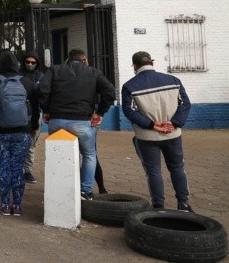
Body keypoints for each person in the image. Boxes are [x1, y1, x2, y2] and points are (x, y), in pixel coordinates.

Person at [38, 48, 115, 200]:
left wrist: (46, 110)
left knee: (58, 154)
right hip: (82, 121)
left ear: (68, 59)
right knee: (89, 154)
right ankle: (85, 191)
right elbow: (110, 91)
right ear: (84, 60)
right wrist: (100, 112)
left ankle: (59, 187)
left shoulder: (55, 70)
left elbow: (42, 90)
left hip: (57, 120)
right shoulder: (93, 72)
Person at [121, 51, 193, 212]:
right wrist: (174, 123)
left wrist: (152, 125)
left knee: (153, 171)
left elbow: (129, 111)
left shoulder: (129, 86)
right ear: (151, 62)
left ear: (135, 66)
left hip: (146, 137)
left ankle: (158, 206)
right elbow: (185, 104)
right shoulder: (173, 80)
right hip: (172, 134)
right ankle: (184, 204)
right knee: (177, 168)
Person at [0, 52, 40, 216]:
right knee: (18, 168)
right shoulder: (27, 83)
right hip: (23, 132)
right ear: (17, 66)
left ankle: (5, 204)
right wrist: (33, 126)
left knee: (4, 167)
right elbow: (35, 108)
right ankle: (18, 206)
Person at [19, 52, 44, 183]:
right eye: (27, 62)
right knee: (17, 142)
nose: (30, 64)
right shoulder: (18, 75)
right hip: (19, 112)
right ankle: (16, 171)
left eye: (33, 63)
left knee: (31, 144)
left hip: (35, 112)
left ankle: (27, 171)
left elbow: (42, 92)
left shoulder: (41, 76)